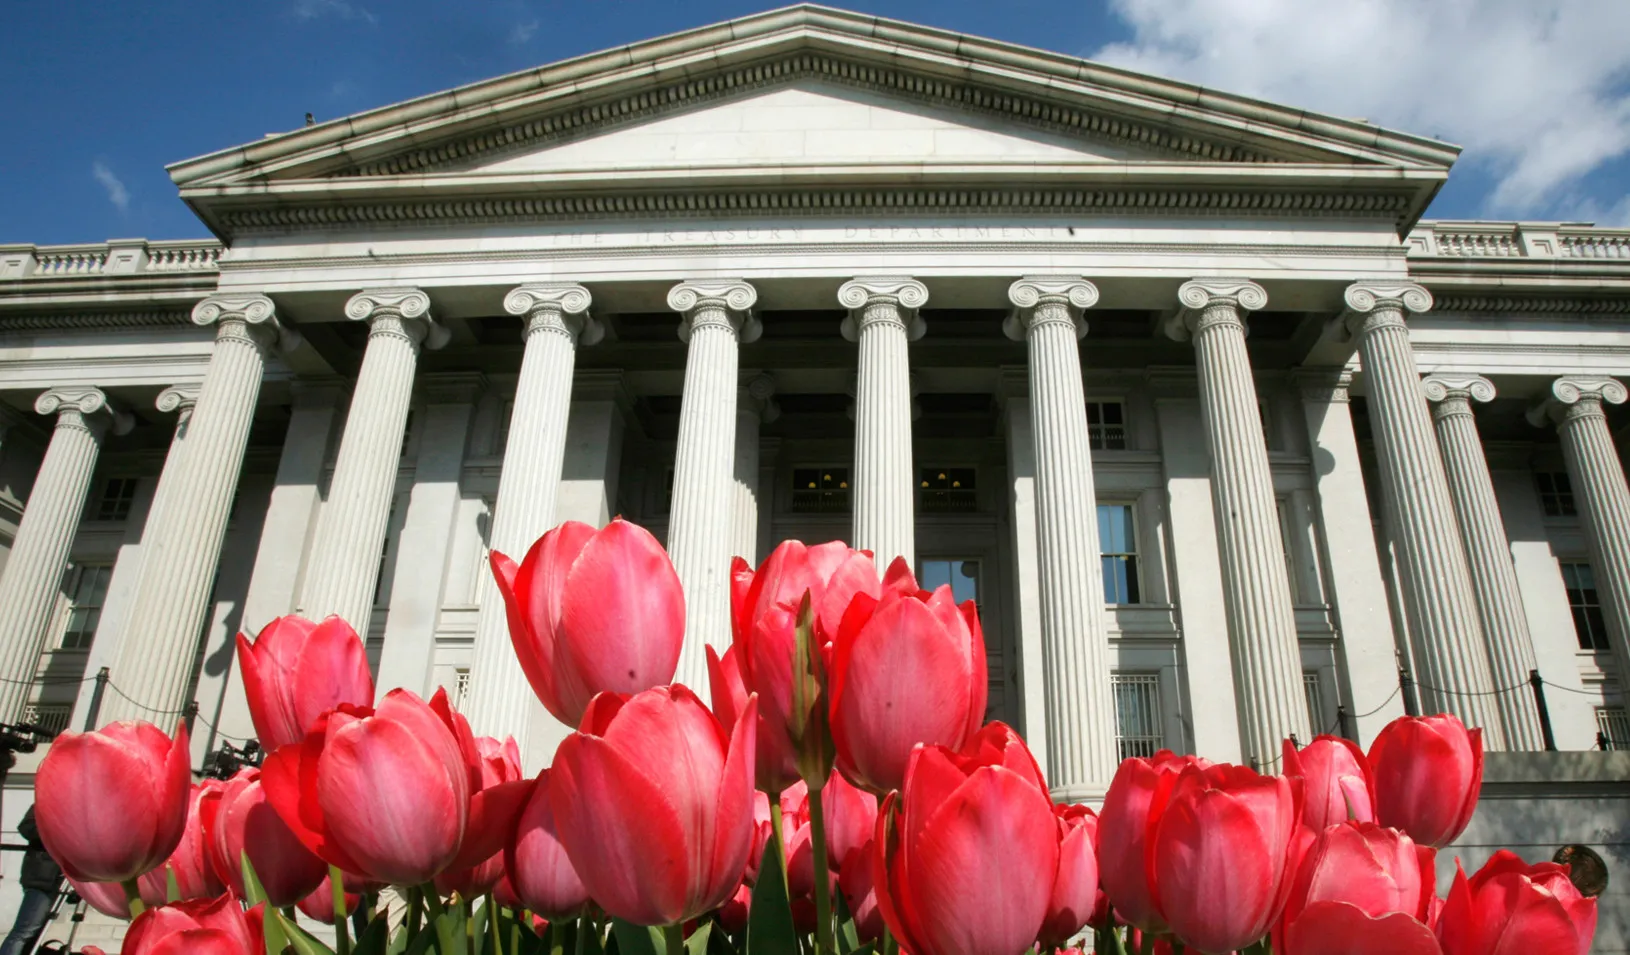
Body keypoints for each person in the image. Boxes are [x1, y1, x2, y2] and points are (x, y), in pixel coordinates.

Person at [1, 807, 60, 955]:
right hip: (42, 876)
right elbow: (26, 827)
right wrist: (58, 831)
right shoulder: (45, 803)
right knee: (25, 930)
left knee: (34, 932)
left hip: (60, 876)